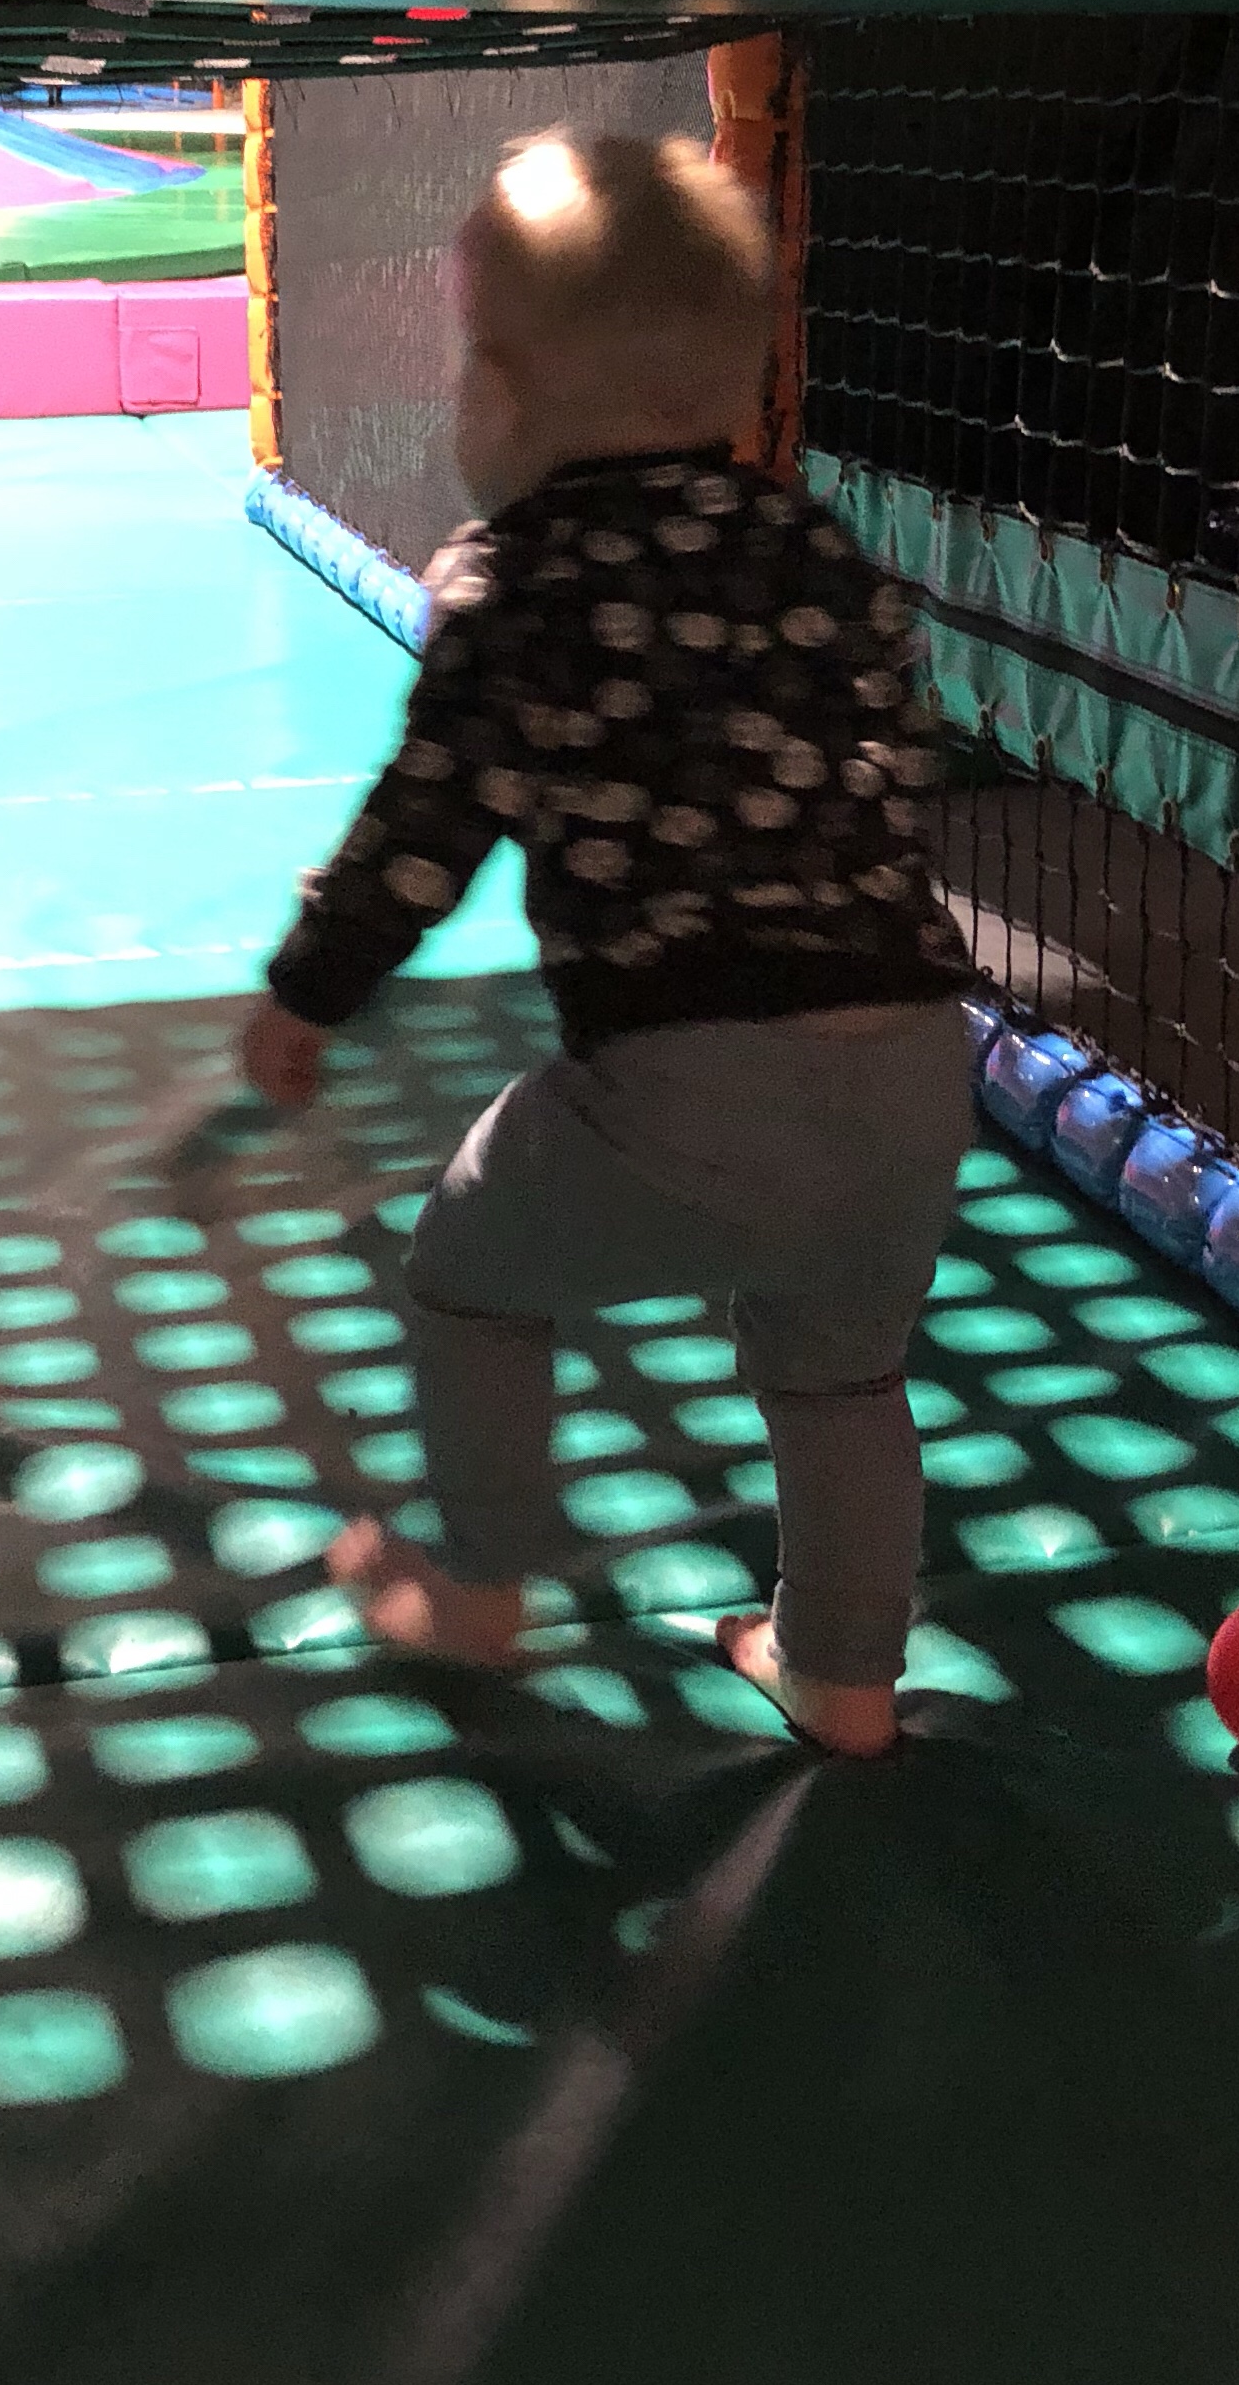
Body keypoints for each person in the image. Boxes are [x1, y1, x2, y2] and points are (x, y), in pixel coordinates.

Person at [242, 126, 974, 1757]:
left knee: (467, 1270)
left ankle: (481, 1586)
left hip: (687, 1080)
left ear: (499, 393)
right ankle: (844, 1674)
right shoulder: (815, 550)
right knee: (840, 1377)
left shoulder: (518, 576)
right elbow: (894, 753)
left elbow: (428, 822)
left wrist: (311, 991)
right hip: (915, 1067)